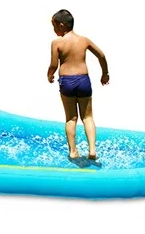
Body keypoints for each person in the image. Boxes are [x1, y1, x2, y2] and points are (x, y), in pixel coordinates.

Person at [47, 9, 110, 160]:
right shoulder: (84, 40)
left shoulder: (57, 43)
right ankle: (92, 149)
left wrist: (50, 75)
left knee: (71, 118)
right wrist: (105, 73)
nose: (53, 29)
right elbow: (101, 55)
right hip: (83, 81)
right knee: (87, 117)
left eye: (54, 26)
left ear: (61, 25)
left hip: (67, 82)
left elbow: (54, 65)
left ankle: (73, 151)